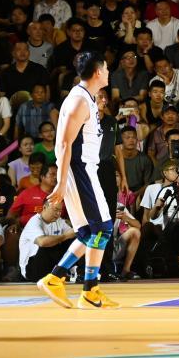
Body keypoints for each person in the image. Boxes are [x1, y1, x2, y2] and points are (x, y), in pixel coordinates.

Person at [36, 51, 118, 309]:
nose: (107, 72)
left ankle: (67, 282)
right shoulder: (79, 100)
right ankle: (79, 285)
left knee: (88, 232)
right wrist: (60, 182)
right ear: (96, 72)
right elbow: (63, 143)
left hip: (83, 168)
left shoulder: (88, 98)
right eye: (105, 69)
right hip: (78, 169)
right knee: (103, 228)